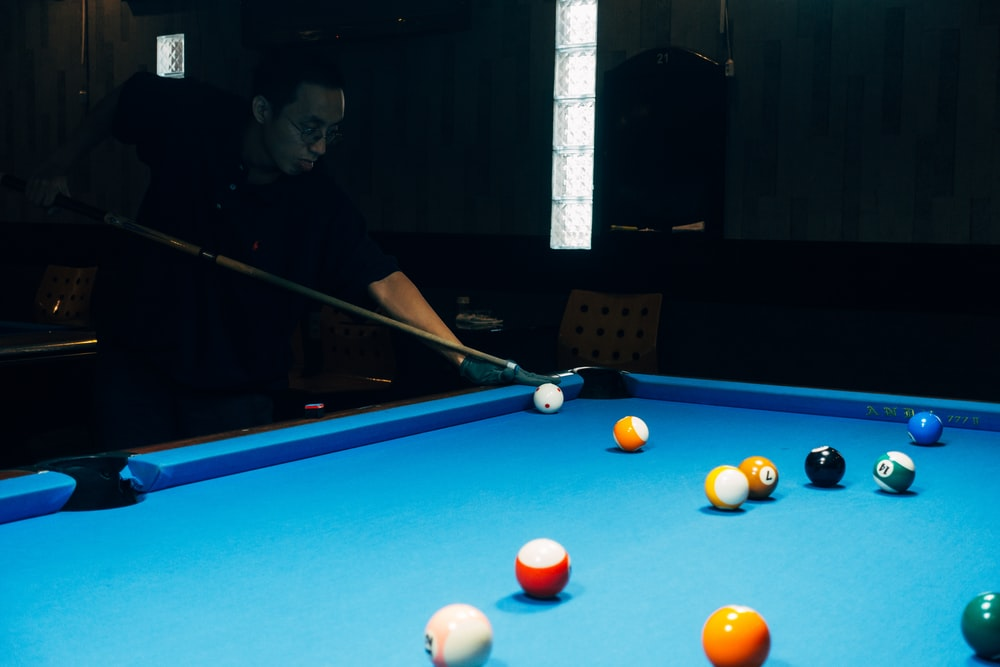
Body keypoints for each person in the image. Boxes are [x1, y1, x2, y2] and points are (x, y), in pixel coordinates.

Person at [26, 46, 555, 450]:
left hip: (235, 389)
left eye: (332, 132)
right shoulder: (191, 116)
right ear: (262, 109)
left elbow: (383, 278)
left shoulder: (318, 203)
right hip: (136, 367)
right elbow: (126, 98)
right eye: (309, 128)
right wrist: (59, 163)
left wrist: (465, 359)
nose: (320, 147)